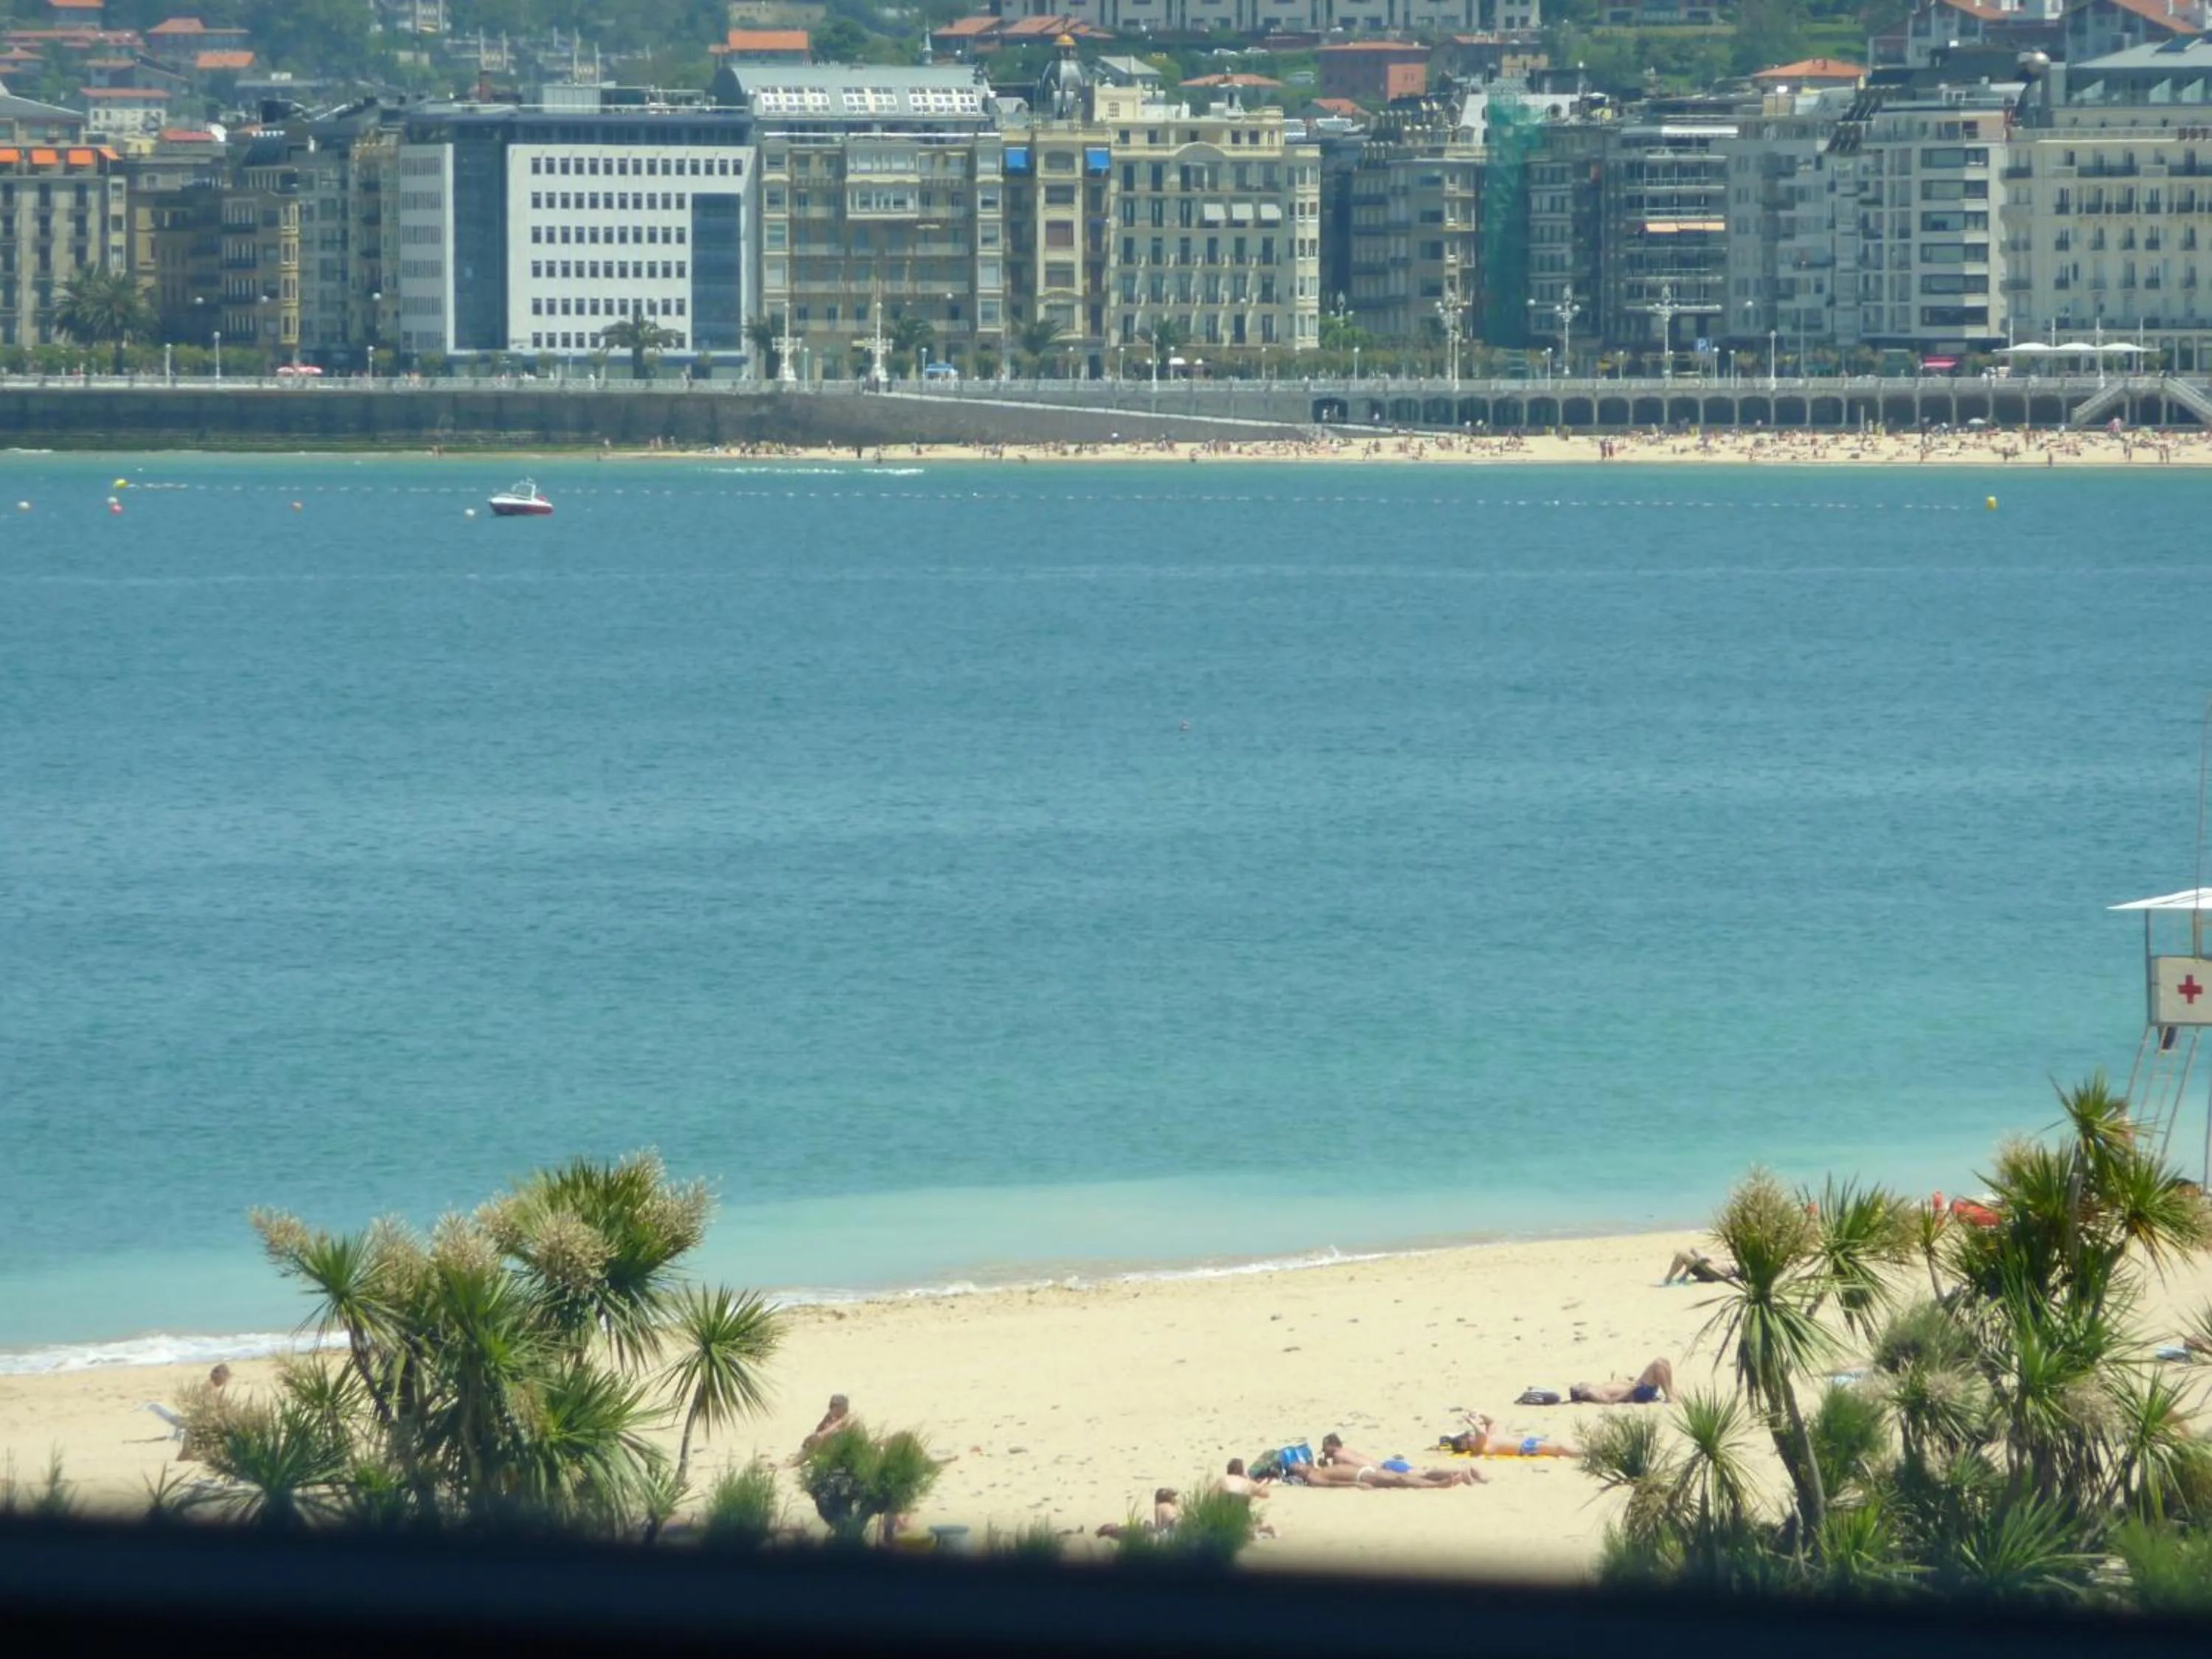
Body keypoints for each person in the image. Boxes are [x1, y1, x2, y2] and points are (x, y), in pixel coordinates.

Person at [1448, 1413, 1579, 1458]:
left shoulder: (1489, 1438)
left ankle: (1584, 1452)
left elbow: (1492, 1422)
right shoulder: (1481, 1448)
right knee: (1558, 1448)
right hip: (1526, 1447)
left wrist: (1479, 1414)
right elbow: (1481, 1433)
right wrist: (1472, 1422)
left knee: (1560, 1445)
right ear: (1467, 1445)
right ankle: (1585, 1455)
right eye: (1469, 1438)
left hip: (1528, 1441)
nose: (1472, 1436)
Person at [1297, 1461, 1481, 1489]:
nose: (1302, 1465)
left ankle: (1453, 1476)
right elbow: (1333, 1484)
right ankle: (1438, 1485)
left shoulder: (1317, 1469)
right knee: (1400, 1480)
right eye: (1298, 1466)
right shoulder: (1314, 1478)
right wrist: (1355, 1485)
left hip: (1368, 1471)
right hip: (1364, 1478)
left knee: (1403, 1477)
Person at [1570, 1358, 1673, 1405]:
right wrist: (1629, 1391)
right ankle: (1669, 1395)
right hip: (1637, 1393)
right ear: (1581, 1392)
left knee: (1664, 1362)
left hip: (1637, 1388)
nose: (1580, 1384)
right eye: (1579, 1386)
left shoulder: (1595, 1388)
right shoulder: (1592, 1393)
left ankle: (1671, 1393)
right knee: (1658, 1364)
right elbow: (1610, 1402)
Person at [798, 1393, 852, 1457]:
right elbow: (820, 1428)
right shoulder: (830, 1415)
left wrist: (819, 1436)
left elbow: (833, 1428)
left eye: (837, 1407)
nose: (833, 1409)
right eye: (832, 1406)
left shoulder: (846, 1418)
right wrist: (815, 1436)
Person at [1663, 1249, 1738, 1284]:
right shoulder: (1733, 1266)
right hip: (1707, 1269)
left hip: (1709, 1271)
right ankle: (1683, 1276)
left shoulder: (1733, 1268)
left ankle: (1668, 1279)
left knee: (1681, 1254)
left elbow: (1720, 1274)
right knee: (1693, 1250)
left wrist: (1705, 1261)